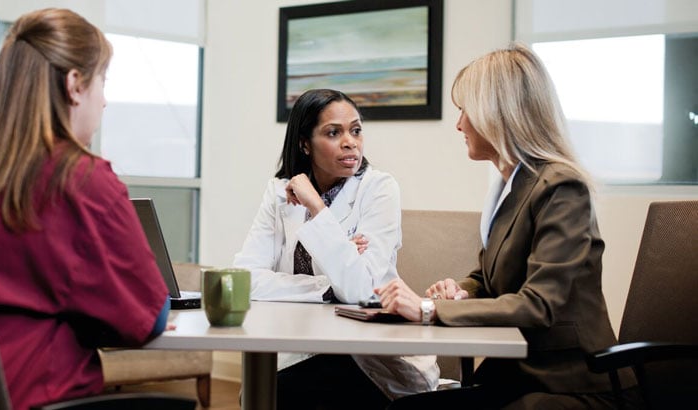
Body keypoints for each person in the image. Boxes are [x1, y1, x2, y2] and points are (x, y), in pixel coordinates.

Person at [0, 8, 170, 410]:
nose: (104, 101)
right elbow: (147, 319)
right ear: (75, 85)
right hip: (34, 395)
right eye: (101, 82)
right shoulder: (83, 180)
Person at [376, 43, 639, 409]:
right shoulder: (512, 185)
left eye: (465, 111)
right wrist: (461, 292)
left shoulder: (562, 188)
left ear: (495, 114)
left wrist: (429, 309)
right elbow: (488, 279)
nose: (458, 124)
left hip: (572, 384)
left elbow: (538, 305)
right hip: (520, 377)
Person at [233, 89, 438, 409]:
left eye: (356, 130)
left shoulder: (380, 189)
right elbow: (246, 277)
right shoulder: (279, 192)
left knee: (286, 393)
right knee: (265, 392)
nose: (350, 142)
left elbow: (360, 290)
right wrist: (329, 285)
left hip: (369, 359)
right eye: (333, 132)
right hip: (299, 346)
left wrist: (317, 209)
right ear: (304, 143)